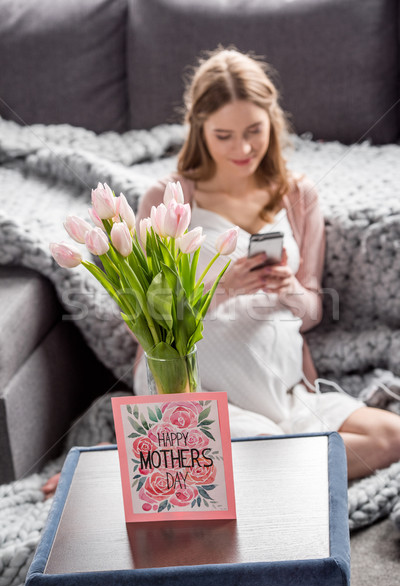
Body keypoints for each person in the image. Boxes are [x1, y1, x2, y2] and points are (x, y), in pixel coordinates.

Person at [133, 47, 400, 481]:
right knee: (259, 451)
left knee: (390, 436)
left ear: (271, 119)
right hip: (204, 395)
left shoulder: (297, 195)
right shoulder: (168, 199)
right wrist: (224, 289)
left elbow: (311, 312)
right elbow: (146, 324)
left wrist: (290, 289)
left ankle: (226, 470)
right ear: (199, 128)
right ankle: (234, 462)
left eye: (254, 130)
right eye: (224, 136)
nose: (243, 148)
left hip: (287, 390)